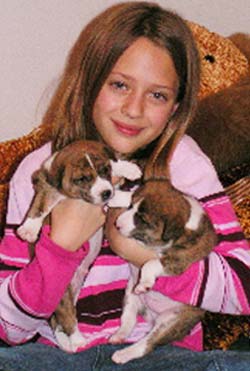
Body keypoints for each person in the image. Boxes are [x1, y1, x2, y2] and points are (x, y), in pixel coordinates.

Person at [0, 2, 249, 370]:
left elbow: (243, 288)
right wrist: (60, 247)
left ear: (177, 106)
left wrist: (147, 258)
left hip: (159, 354)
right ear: (88, 84)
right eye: (119, 85)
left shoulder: (185, 164)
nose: (134, 109)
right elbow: (9, 328)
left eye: (157, 95)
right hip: (54, 355)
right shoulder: (40, 173)